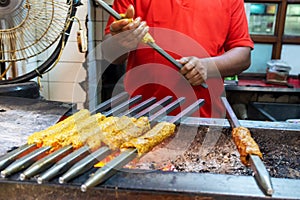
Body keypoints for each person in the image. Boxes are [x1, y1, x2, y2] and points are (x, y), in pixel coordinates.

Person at [102, 0, 254, 118]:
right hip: (142, 115)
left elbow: (243, 55)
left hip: (204, 116)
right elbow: (109, 53)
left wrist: (208, 67)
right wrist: (121, 41)